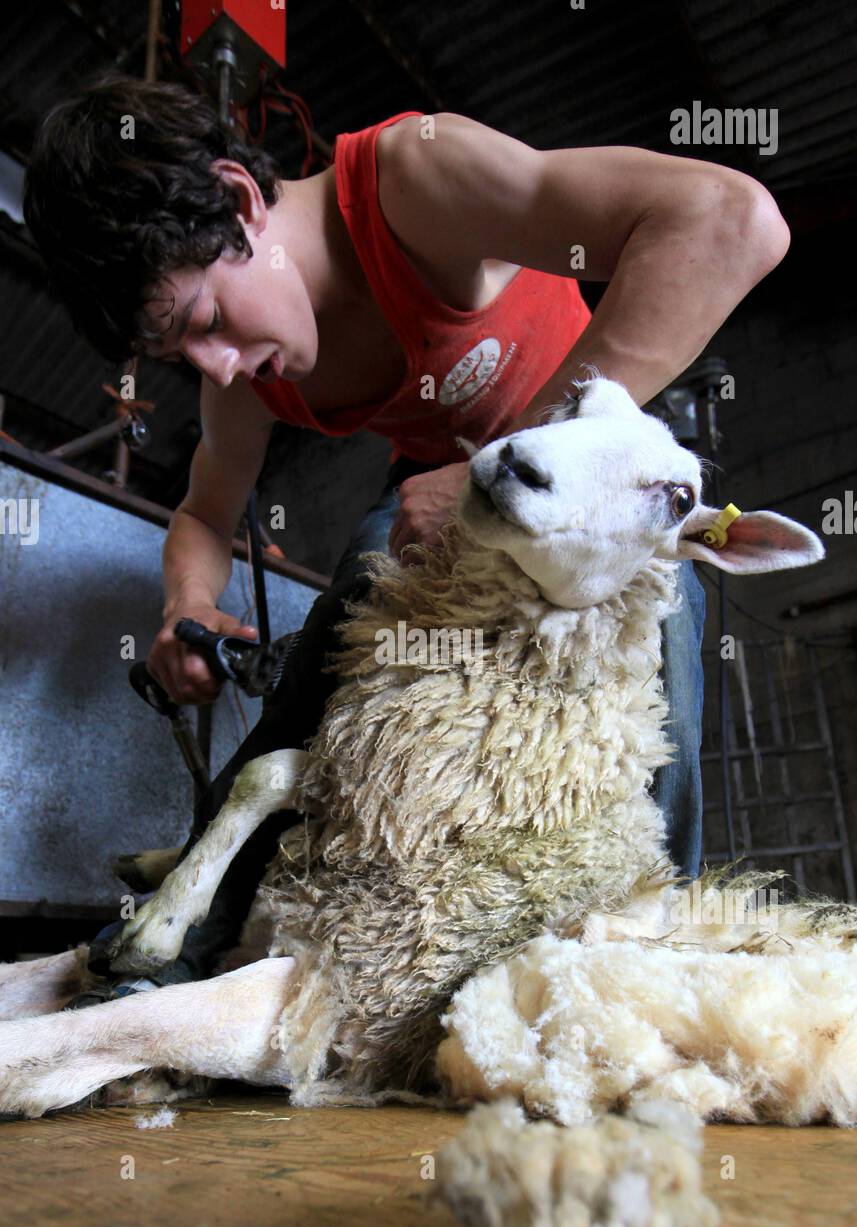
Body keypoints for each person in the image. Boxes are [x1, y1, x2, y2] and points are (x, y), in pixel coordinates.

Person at [23, 75, 790, 996]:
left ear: (238, 198)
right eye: (182, 353)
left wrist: (497, 458)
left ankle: (650, 951)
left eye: (208, 323)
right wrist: (187, 603)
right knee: (341, 630)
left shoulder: (413, 180)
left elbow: (730, 221)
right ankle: (181, 938)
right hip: (440, 505)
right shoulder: (241, 374)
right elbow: (202, 510)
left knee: (664, 636)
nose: (216, 367)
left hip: (592, 495)